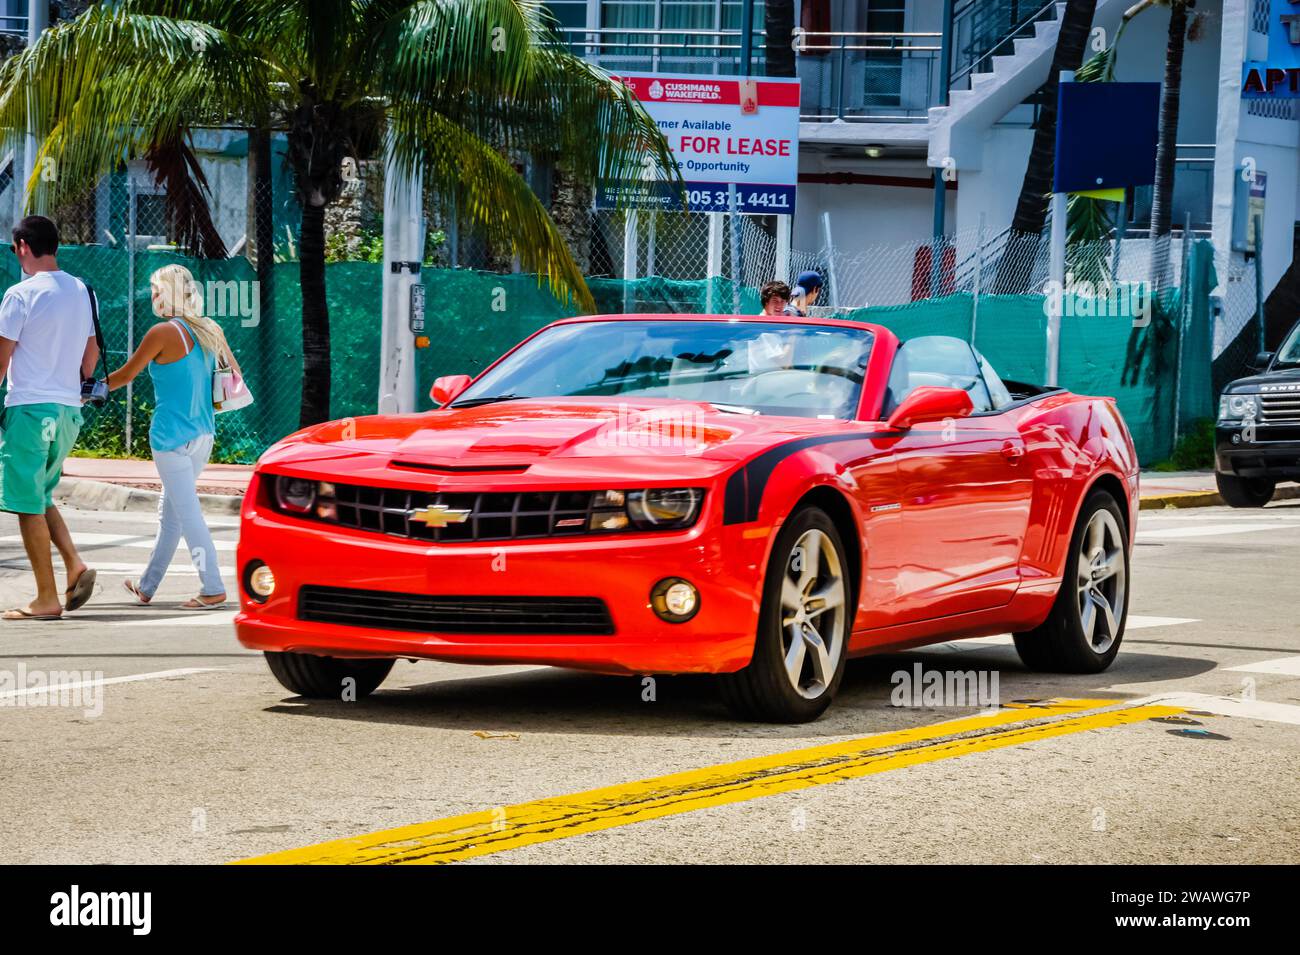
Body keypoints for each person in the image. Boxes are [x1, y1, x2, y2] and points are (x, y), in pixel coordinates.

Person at [107, 265, 238, 610]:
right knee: (173, 513)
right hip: (204, 435)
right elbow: (234, 377)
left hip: (170, 438)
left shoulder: (162, 332)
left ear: (169, 293)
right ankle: (147, 586)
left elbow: (125, 375)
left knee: (187, 512)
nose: (152, 297)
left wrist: (85, 389)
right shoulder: (210, 328)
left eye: (155, 290)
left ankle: (212, 586)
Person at [0, 216, 99, 620]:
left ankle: (45, 598)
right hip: (68, 410)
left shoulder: (20, 295)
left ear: (23, 246)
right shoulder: (81, 290)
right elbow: (90, 358)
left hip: (29, 407)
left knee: (26, 504)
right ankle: (74, 564)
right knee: (40, 495)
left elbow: (2, 358)